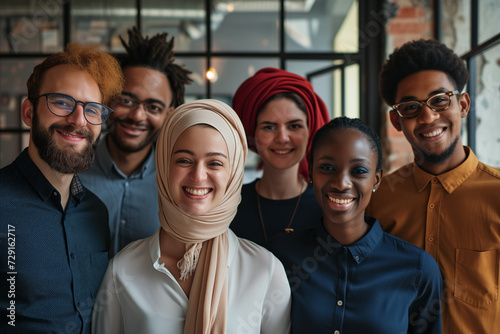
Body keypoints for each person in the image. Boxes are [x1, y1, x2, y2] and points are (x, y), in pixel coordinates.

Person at [92, 99, 291, 334]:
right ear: (164, 166)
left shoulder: (264, 270)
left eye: (215, 163)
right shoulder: (122, 270)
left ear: (234, 174)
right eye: (184, 160)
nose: (198, 176)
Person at [366, 38, 500, 334]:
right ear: (396, 120)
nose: (427, 117)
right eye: (411, 107)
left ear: (462, 104)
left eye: (440, 100)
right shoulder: (379, 200)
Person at [273, 117, 443, 333]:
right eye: (327, 167)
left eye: (359, 171)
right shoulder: (280, 256)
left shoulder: (418, 269)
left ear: (377, 180)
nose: (341, 183)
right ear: (311, 173)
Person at [0, 44, 123, 333]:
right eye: (61, 102)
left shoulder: (96, 212)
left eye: (92, 109)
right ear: (29, 113)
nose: (78, 120)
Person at [80, 27, 192, 256]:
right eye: (127, 100)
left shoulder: (180, 184)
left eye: (153, 107)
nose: (137, 116)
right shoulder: (72, 171)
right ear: (108, 99)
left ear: (168, 115)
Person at [230, 67, 330, 251]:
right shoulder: (228, 205)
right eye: (269, 127)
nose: (283, 138)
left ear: (310, 131)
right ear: (252, 133)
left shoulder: (329, 207)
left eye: (294, 126)